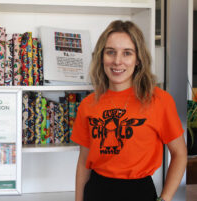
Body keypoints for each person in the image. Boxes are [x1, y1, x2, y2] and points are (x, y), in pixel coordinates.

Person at [71, 20, 187, 201]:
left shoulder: (159, 100)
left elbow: (180, 154)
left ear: (138, 59)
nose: (117, 61)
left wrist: (165, 198)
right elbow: (83, 162)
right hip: (96, 191)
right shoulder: (87, 105)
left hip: (140, 192)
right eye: (110, 52)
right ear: (102, 57)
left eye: (127, 53)